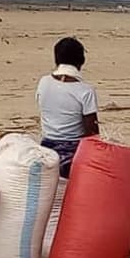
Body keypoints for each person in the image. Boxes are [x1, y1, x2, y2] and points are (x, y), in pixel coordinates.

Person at [37, 37, 99, 178]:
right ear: (81, 61)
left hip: (46, 146)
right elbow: (92, 133)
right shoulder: (86, 90)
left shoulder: (43, 82)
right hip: (73, 151)